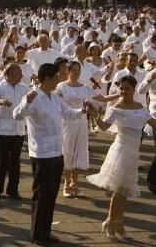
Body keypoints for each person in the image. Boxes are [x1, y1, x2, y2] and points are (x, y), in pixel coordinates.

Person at [13, 63, 89, 246]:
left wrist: (83, 111)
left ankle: (46, 231)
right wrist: (26, 102)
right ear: (46, 78)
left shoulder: (54, 97)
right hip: (41, 152)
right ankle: (37, 233)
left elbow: (68, 113)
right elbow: (17, 115)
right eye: (56, 77)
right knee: (41, 193)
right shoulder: (33, 96)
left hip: (57, 150)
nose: (58, 80)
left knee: (51, 193)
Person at [87, 75, 156, 241]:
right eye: (121, 88)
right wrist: (95, 114)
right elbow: (103, 126)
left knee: (125, 190)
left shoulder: (139, 106)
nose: (124, 91)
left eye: (127, 89)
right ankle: (110, 221)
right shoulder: (116, 107)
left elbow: (153, 123)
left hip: (134, 151)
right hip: (121, 150)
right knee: (119, 190)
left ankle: (119, 222)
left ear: (133, 89)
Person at [56, 61, 117, 197]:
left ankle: (75, 183)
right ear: (68, 71)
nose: (76, 73)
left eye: (78, 70)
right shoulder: (61, 87)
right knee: (68, 151)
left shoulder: (85, 87)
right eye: (74, 70)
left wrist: (119, 95)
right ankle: (66, 184)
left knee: (79, 151)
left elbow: (102, 97)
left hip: (82, 123)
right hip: (67, 122)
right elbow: (56, 103)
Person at [0, 64, 29, 199]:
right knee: (1, 161)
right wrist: (0, 101)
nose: (21, 75)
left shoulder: (24, 87)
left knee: (15, 162)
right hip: (3, 129)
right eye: (18, 73)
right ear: (9, 74)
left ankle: (13, 190)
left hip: (18, 129)